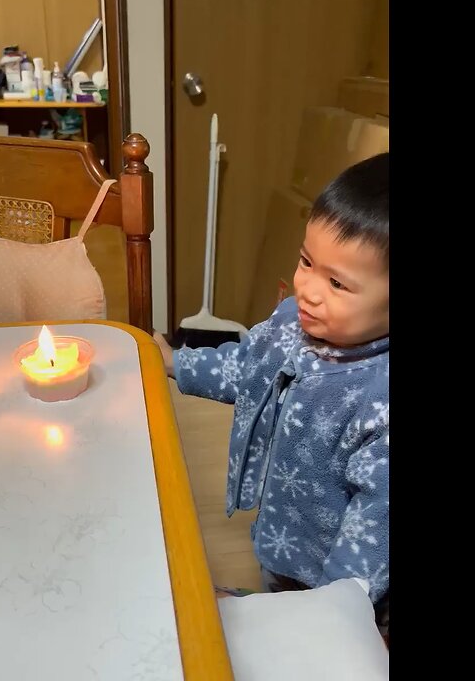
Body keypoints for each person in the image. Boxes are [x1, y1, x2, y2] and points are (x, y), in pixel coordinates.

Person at [155, 153, 390, 637]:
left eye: (338, 283)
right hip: (283, 527)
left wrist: (329, 621)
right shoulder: (291, 322)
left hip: (343, 572)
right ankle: (271, 610)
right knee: (278, 584)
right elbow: (246, 368)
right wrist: (176, 363)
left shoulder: (378, 396)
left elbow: (374, 533)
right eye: (307, 261)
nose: (307, 289)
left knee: (321, 642)